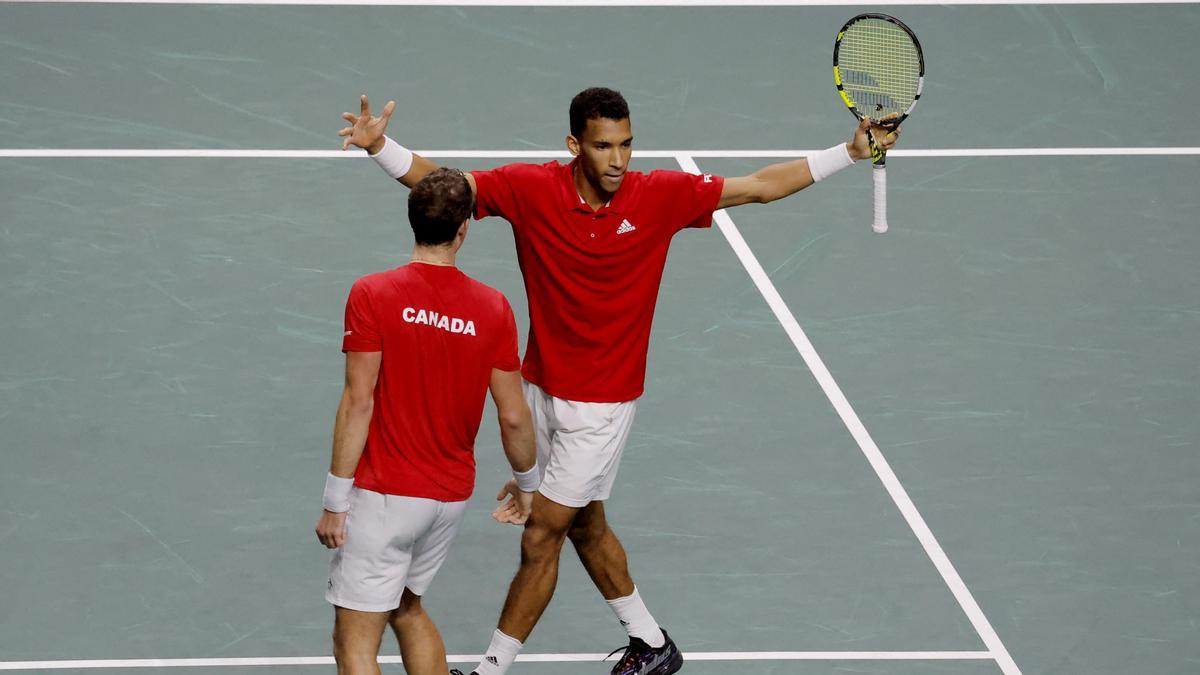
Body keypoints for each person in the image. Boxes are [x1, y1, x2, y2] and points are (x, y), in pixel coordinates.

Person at [338, 87, 900, 675]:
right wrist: (382, 148)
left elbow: (758, 186)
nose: (618, 160)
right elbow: (449, 188)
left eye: (627, 145)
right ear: (574, 145)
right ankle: (651, 643)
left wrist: (850, 152)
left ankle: (489, 671)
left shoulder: (659, 196)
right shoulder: (533, 189)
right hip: (541, 389)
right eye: (604, 146)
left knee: (541, 535)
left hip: (602, 405)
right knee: (586, 523)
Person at [314, 167, 540, 675]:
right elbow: (512, 416)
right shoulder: (494, 308)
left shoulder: (373, 293)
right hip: (448, 500)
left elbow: (358, 401)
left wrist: (334, 502)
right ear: (464, 229)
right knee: (406, 608)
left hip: (384, 497)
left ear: (412, 221)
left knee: (354, 644)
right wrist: (528, 485)